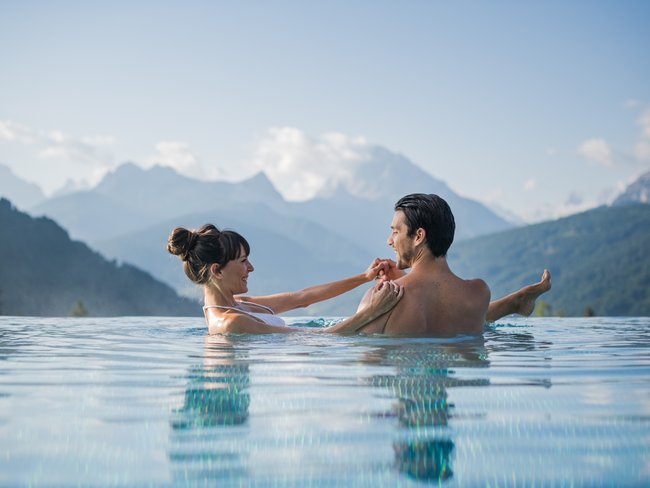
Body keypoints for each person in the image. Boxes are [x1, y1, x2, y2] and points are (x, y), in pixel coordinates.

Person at [355, 193, 551, 336]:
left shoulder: (379, 299)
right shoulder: (479, 293)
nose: (390, 240)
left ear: (418, 236)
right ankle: (513, 303)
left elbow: (364, 366)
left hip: (407, 383)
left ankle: (513, 303)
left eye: (396, 232)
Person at [167, 224, 403, 334]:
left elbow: (302, 298)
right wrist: (370, 312)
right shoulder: (230, 322)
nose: (251, 267)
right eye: (242, 261)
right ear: (216, 270)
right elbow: (319, 338)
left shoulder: (241, 304)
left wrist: (364, 276)